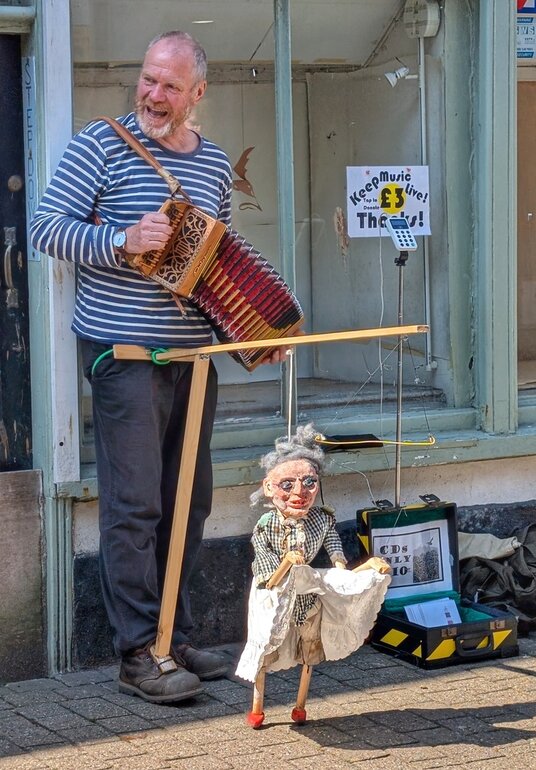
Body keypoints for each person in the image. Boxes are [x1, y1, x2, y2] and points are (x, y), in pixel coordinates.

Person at [31, 30, 287, 704]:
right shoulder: (99, 144)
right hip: (126, 358)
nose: (153, 93)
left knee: (188, 503)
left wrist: (257, 332)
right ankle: (138, 654)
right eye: (148, 78)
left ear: (197, 94)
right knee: (136, 504)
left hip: (194, 358)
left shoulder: (212, 164)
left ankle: (173, 635)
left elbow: (217, 271)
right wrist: (122, 238)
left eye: (170, 85)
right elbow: (45, 229)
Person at [235, 424, 391, 687]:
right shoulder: (265, 525)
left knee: (310, 648)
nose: (299, 492)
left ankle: (301, 702)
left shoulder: (322, 519)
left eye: (309, 482)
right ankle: (258, 703)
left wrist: (361, 570)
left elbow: (336, 558)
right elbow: (267, 578)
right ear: (269, 488)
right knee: (266, 647)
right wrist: (286, 564)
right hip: (271, 598)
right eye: (287, 484)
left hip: (308, 594)